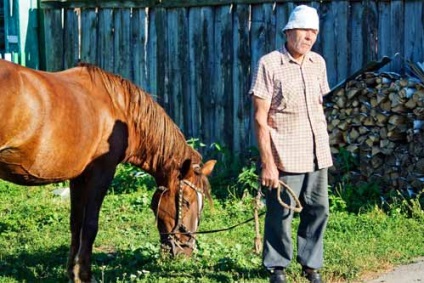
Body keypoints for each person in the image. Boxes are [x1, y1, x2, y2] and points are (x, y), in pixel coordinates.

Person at [249, 5, 333, 283]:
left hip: (317, 152)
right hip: (285, 154)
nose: (310, 36)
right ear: (288, 31)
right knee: (281, 212)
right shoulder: (270, 64)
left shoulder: (318, 63)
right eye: (304, 30)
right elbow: (260, 119)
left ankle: (311, 265)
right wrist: (267, 163)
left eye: (314, 31)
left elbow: (322, 106)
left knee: (319, 209)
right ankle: (277, 266)